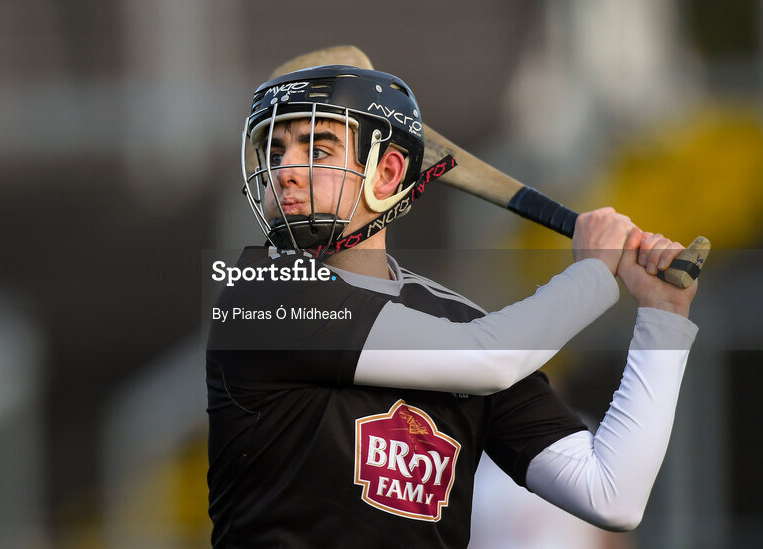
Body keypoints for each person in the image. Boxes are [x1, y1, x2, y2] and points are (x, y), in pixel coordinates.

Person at [205, 65, 699, 548]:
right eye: (275, 152)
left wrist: (663, 315)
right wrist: (593, 272)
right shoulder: (260, 297)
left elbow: (611, 495)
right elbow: (486, 357)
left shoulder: (460, 325)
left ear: (387, 173)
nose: (285, 172)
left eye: (317, 149)